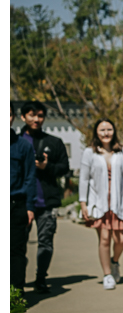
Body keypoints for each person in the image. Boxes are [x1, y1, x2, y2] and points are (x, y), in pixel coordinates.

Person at [19, 102, 70, 292]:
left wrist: (46, 167)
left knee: (46, 243)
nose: (36, 119)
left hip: (46, 202)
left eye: (40, 115)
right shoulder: (14, 142)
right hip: (21, 203)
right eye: (32, 115)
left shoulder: (54, 142)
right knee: (17, 245)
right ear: (23, 117)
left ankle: (41, 278)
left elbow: (64, 168)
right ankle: (18, 282)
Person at [79, 118, 123, 290]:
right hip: (99, 203)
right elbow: (84, 179)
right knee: (104, 239)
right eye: (102, 130)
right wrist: (83, 203)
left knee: (121, 239)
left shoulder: (122, 151)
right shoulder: (90, 152)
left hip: (120, 202)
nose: (106, 133)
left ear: (114, 131)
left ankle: (115, 261)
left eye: (109, 129)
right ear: (96, 132)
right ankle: (107, 274)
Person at [10, 105, 35, 290]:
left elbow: (29, 178)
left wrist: (29, 207)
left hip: (15, 205)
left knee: (16, 251)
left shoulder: (23, 145)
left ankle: (15, 295)